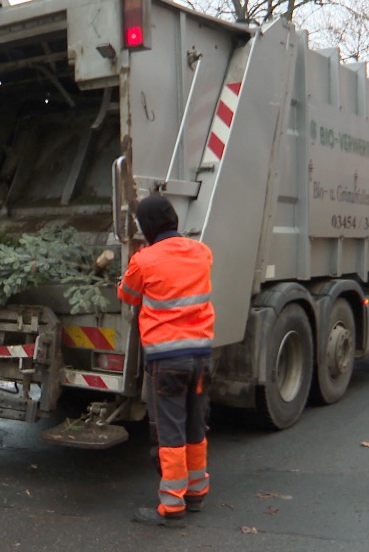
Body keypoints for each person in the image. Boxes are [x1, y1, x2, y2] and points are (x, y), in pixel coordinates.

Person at [117, 195, 215, 529]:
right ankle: (197, 492)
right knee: (195, 424)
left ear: (146, 227)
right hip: (201, 356)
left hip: (168, 360)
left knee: (171, 430)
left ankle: (172, 506)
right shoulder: (202, 252)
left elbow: (128, 296)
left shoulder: (144, 261)